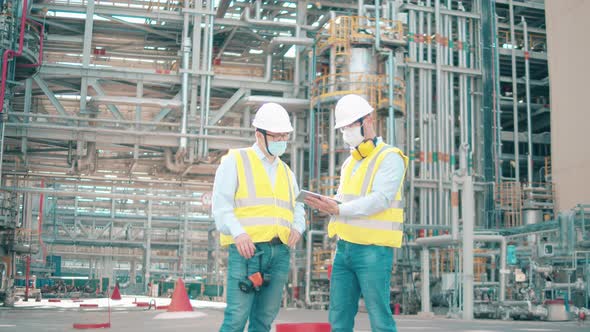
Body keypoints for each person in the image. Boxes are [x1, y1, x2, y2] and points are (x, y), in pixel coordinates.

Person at [305, 94, 408, 332]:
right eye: (343, 128)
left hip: (373, 250)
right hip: (344, 249)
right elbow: (345, 199)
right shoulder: (350, 163)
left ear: (368, 120)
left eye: (351, 125)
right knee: (338, 317)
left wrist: (339, 208)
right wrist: (326, 203)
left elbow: (380, 200)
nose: (346, 132)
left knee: (379, 317)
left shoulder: (390, 157)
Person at [213, 103, 306, 332]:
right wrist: (238, 232)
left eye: (285, 135)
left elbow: (298, 208)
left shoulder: (287, 172)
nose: (281, 140)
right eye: (276, 135)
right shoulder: (235, 161)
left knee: (263, 321)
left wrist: (298, 226)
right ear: (259, 135)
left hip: (279, 254)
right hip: (248, 252)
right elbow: (221, 206)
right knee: (236, 319)